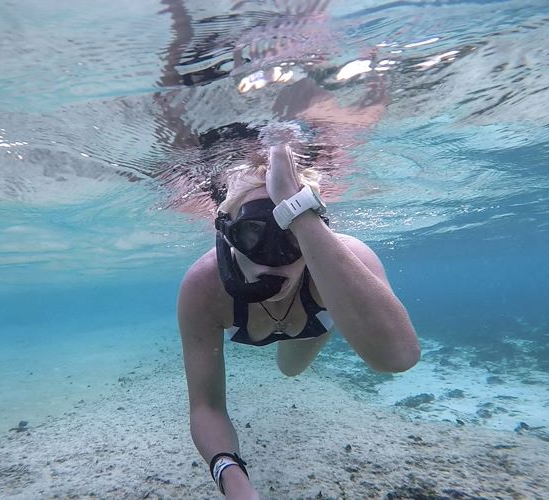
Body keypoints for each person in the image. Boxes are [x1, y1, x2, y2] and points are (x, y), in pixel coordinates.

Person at [177, 143, 420, 498]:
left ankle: (329, 301)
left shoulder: (344, 259)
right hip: (303, 310)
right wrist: (232, 476)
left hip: (312, 322)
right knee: (288, 369)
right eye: (252, 234)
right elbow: (205, 405)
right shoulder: (203, 286)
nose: (273, 259)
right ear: (227, 232)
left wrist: (302, 216)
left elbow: (398, 357)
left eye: (291, 234)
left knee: (291, 369)